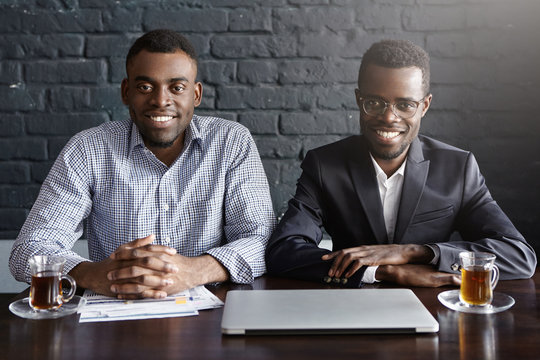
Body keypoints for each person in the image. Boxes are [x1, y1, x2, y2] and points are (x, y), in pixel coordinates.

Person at [10, 29, 276, 299]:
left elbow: (261, 240)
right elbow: (29, 249)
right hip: (114, 314)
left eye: (177, 87)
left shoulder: (231, 142)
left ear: (195, 95)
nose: (160, 100)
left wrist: (194, 271)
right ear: (126, 92)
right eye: (145, 87)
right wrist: (95, 274)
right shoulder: (88, 149)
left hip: (209, 315)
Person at [265, 39, 536, 288]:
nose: (389, 118)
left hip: (434, 313)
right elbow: (284, 251)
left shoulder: (458, 168)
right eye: (374, 103)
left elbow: (519, 256)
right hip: (352, 310)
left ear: (425, 106)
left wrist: (413, 252)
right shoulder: (325, 165)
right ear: (359, 101)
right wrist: (384, 271)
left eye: (405, 105)